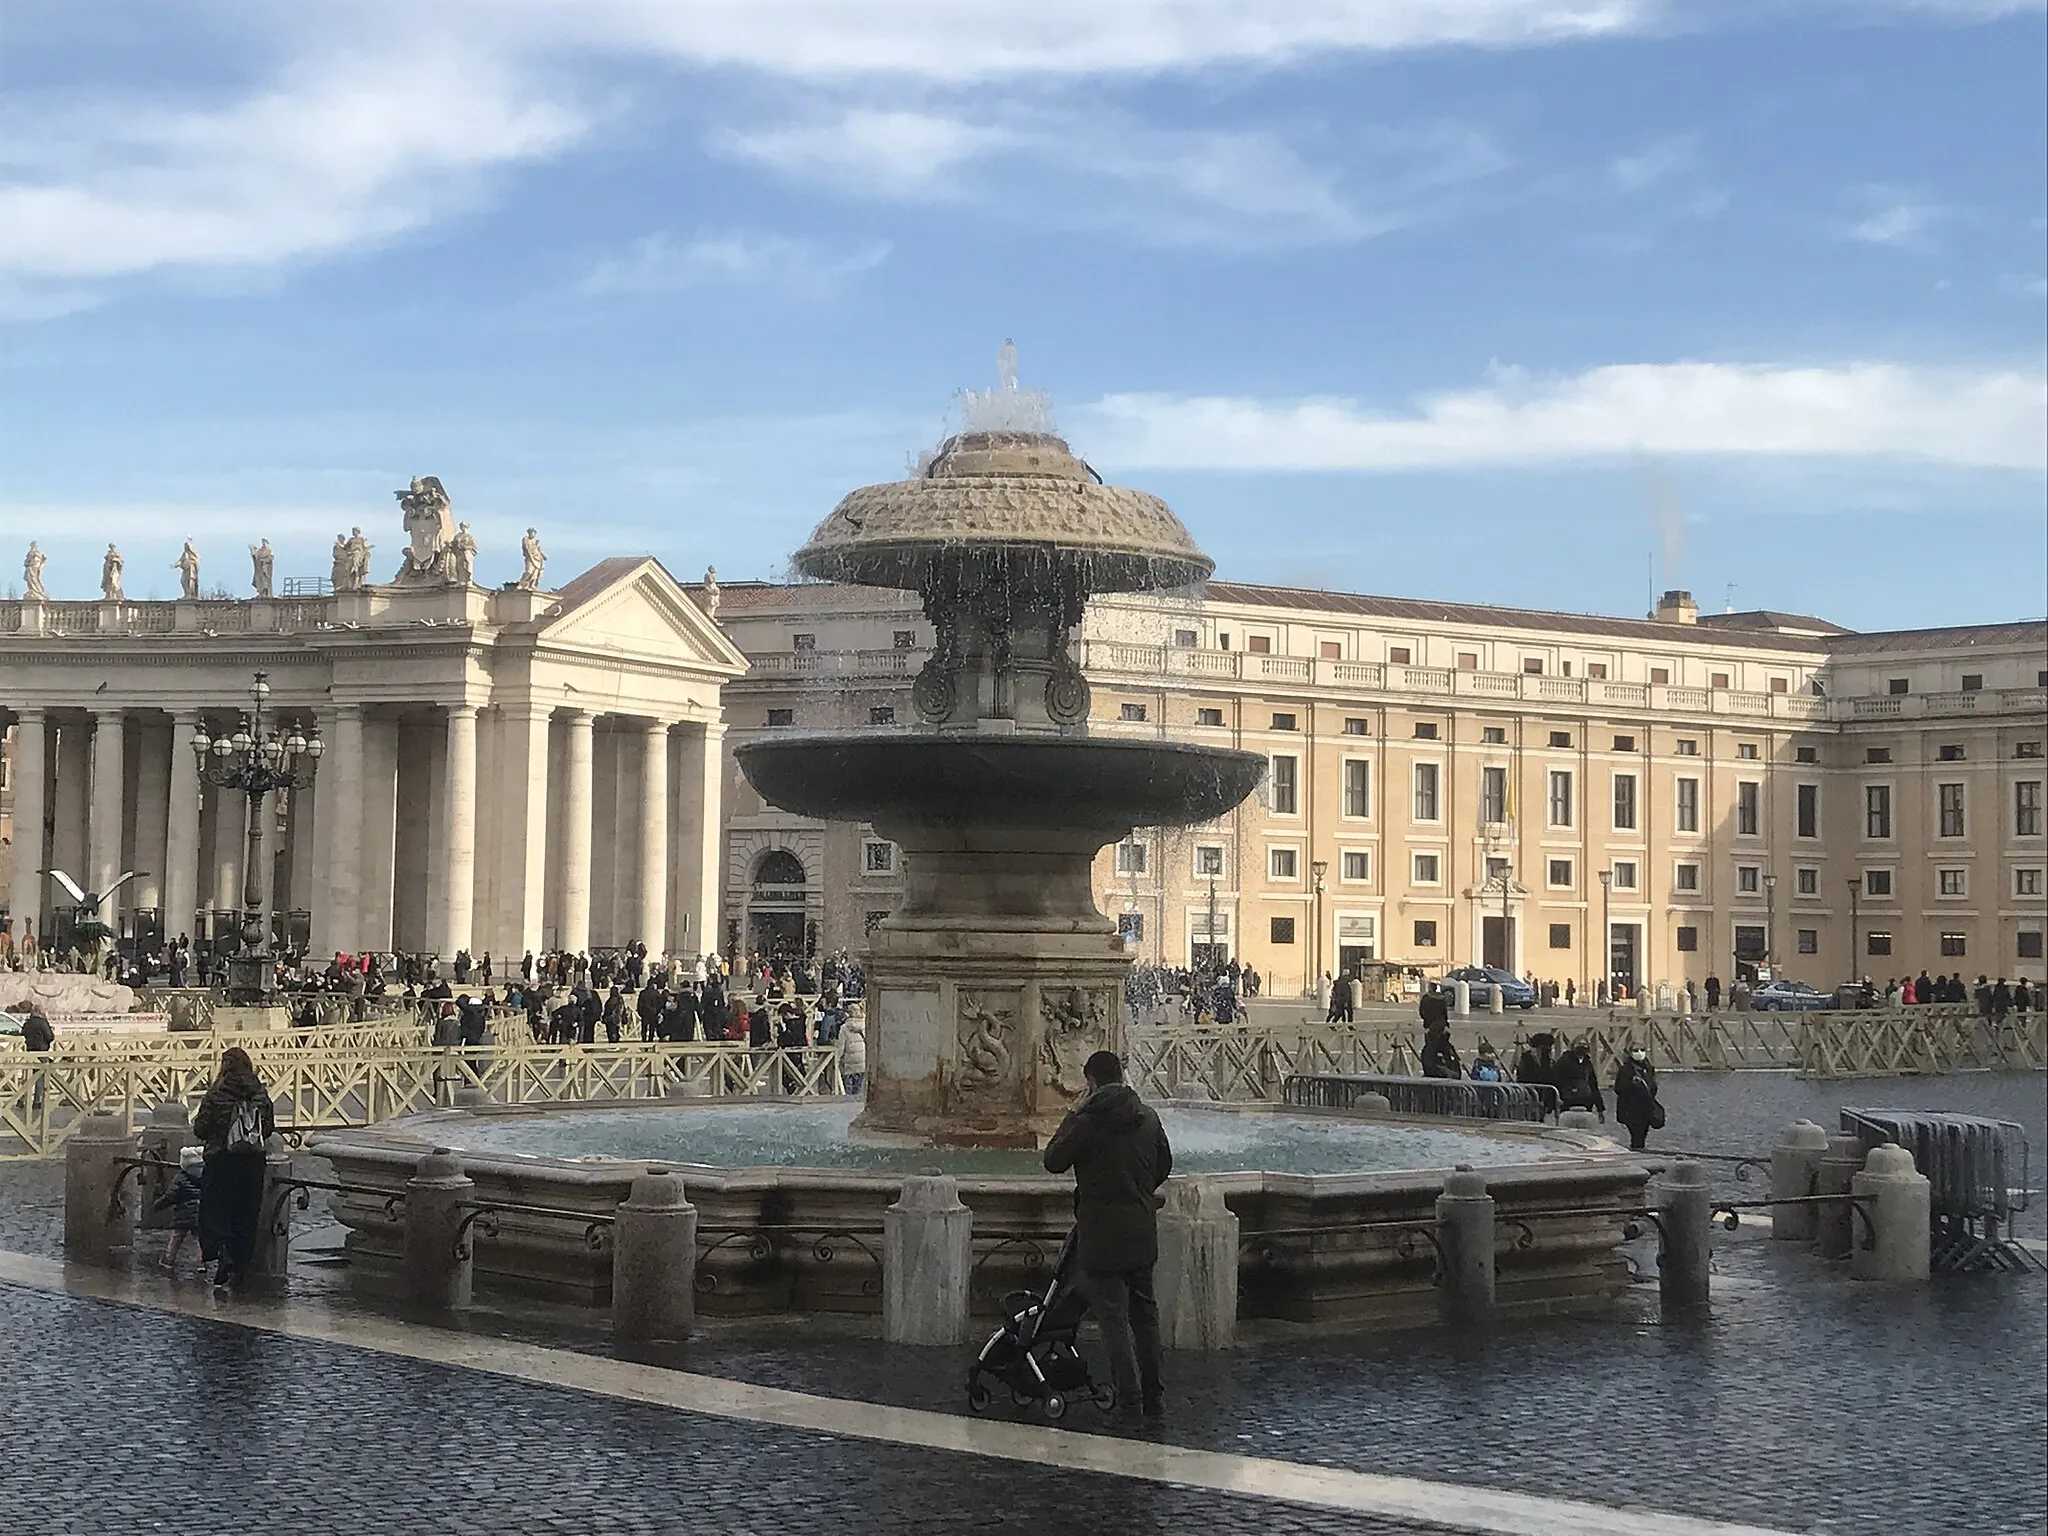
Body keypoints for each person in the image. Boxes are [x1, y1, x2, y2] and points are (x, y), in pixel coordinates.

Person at [1042, 1051, 1173, 1422]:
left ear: (1092, 1082)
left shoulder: (1086, 1123)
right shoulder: (1148, 1117)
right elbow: (1164, 1165)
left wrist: (1071, 1118)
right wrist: (1138, 1194)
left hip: (1100, 1234)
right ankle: (1155, 1396)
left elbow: (1052, 1161)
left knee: (1113, 1319)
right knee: (1145, 1315)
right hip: (1141, 1230)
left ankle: (1129, 1400)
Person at [191, 1047, 276, 1291]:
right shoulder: (260, 1093)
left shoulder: (216, 1093)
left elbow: (201, 1129)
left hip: (221, 1160)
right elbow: (268, 1129)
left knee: (216, 1211)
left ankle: (222, 1251)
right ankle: (240, 1264)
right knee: (246, 1213)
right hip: (252, 1161)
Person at [152, 1147, 207, 1274]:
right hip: (200, 1213)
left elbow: (170, 1195)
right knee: (199, 1239)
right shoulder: (206, 1175)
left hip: (182, 1214)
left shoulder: (180, 1178)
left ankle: (169, 1260)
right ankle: (201, 1263)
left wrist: (157, 1205)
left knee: (177, 1237)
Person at [1612, 1046, 1662, 1150]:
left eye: (1642, 1050)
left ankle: (1638, 1151)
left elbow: (1652, 1088)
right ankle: (1636, 1154)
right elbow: (1618, 1088)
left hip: (1646, 1108)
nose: (1639, 1053)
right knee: (1637, 1135)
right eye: (1635, 1050)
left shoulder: (1649, 1068)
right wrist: (1631, 1083)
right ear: (1630, 1053)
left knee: (1642, 1135)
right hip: (1631, 1109)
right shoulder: (1626, 1069)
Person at [1553, 1038, 1605, 1120]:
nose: (1582, 1046)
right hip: (1568, 1101)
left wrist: (1600, 1108)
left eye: (1585, 1044)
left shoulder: (1588, 1063)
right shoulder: (1564, 1061)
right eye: (1579, 1043)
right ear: (1573, 1045)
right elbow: (1556, 1082)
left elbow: (1593, 1085)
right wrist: (1556, 1103)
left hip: (1586, 1101)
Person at [839, 1009, 867, 1095]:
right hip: (862, 1058)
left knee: (849, 1087)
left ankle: (849, 1101)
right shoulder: (864, 1025)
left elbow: (841, 1045)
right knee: (858, 1086)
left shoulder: (844, 1028)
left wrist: (838, 1058)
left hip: (849, 1060)